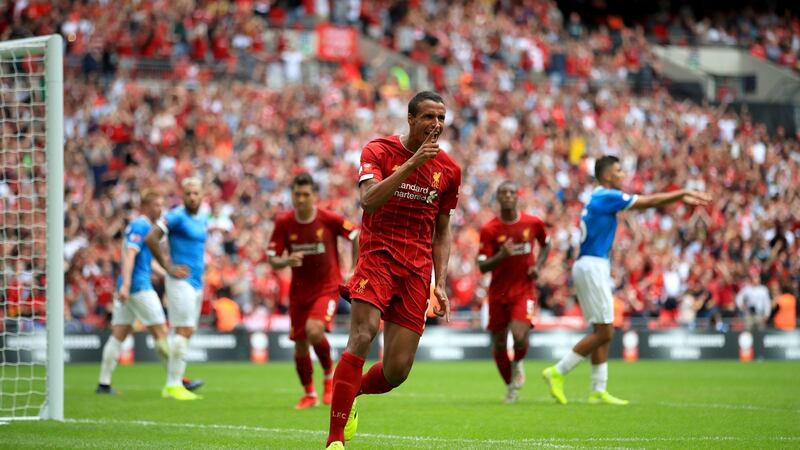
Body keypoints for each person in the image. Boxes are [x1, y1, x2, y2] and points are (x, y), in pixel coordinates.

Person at [325, 91, 461, 449]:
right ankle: (334, 440)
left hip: (417, 269)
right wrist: (414, 163)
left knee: (396, 371)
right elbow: (368, 201)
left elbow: (443, 228)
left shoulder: (449, 170)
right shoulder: (378, 151)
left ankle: (351, 393)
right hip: (378, 256)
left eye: (441, 119)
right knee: (363, 335)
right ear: (411, 119)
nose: (436, 125)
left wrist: (440, 282)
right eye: (429, 117)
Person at [541, 155, 710, 405]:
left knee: (601, 329)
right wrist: (680, 193)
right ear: (608, 175)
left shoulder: (596, 197)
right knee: (606, 331)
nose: (623, 175)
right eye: (619, 170)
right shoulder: (607, 195)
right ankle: (558, 371)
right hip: (593, 265)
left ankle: (598, 389)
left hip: (587, 264)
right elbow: (648, 201)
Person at [268, 173, 359, 410]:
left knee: (314, 330)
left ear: (314, 196)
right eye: (297, 194)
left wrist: (354, 269)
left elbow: (356, 235)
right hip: (299, 293)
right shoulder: (284, 223)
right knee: (300, 344)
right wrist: (286, 261)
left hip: (327, 287)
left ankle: (329, 377)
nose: (301, 199)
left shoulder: (328, 219)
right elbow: (273, 259)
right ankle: (309, 393)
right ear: (292, 195)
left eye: (306, 195)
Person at [477, 181, 550, 403]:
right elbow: (482, 266)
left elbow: (546, 244)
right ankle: (510, 386)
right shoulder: (489, 229)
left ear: (517, 197)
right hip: (498, 293)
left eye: (511, 192)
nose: (508, 196)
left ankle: (518, 362)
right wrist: (501, 256)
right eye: (503, 193)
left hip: (524, 290)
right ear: (498, 198)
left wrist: (538, 266)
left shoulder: (533, 223)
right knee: (499, 343)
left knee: (519, 337)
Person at [96, 190, 170, 394]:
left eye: (161, 204)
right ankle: (178, 380)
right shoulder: (140, 225)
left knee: (118, 334)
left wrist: (166, 273)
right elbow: (129, 254)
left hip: (129, 286)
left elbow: (145, 260)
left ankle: (104, 383)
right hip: (138, 287)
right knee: (161, 332)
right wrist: (127, 285)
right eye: (156, 204)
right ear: (145, 206)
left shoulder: (144, 226)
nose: (160, 208)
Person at [145, 177, 208, 401]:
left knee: (186, 331)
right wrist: (167, 267)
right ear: (183, 195)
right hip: (181, 282)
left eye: (196, 193)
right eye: (188, 193)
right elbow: (152, 237)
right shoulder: (176, 216)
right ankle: (173, 385)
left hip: (197, 283)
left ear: (202, 195)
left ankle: (176, 382)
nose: (192, 197)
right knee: (183, 330)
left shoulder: (202, 217)